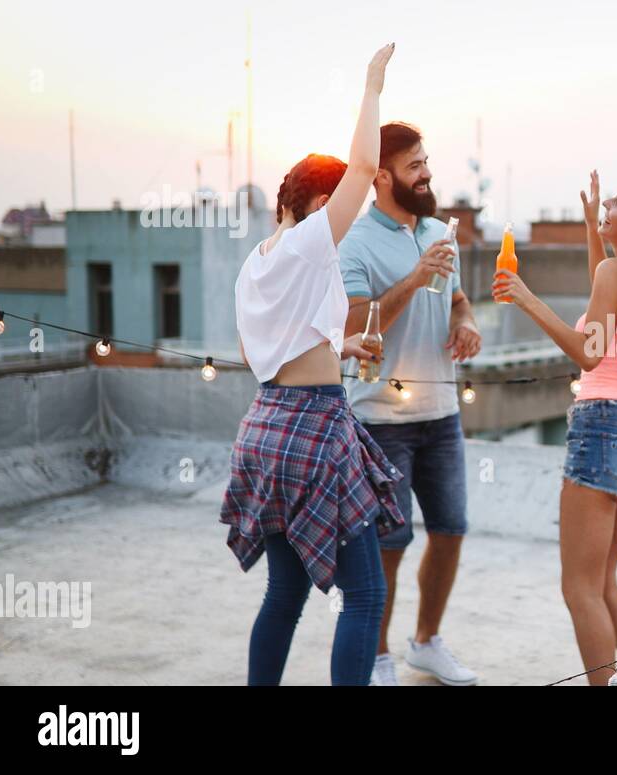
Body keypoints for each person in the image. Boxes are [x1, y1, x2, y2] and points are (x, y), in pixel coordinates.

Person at [220, 44, 403, 686]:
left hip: (265, 429)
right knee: (365, 596)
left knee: (285, 595)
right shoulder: (311, 242)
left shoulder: (259, 260)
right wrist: (372, 85)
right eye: (341, 210)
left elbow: (258, 353)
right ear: (320, 204)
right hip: (313, 431)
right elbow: (362, 164)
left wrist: (340, 348)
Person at [491, 171, 617, 685]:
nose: (607, 207)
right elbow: (604, 297)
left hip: (602, 430)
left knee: (579, 589)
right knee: (604, 584)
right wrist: (588, 226)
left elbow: (589, 351)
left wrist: (526, 297)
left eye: (615, 204)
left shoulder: (614, 272)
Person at [339, 122, 483, 686]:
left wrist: (465, 320)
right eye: (414, 166)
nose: (426, 175)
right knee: (389, 545)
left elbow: (459, 298)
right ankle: (376, 657)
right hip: (380, 419)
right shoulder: (354, 243)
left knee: (450, 530)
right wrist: (412, 278)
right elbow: (355, 325)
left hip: (442, 416)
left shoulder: (435, 232)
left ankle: (425, 643)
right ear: (381, 176)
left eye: (426, 162)